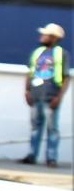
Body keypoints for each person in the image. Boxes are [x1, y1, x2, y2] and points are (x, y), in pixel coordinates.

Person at [21, 23, 68, 167]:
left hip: (51, 97)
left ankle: (51, 158)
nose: (42, 36)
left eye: (45, 34)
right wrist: (27, 91)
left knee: (52, 128)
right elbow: (30, 73)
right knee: (35, 127)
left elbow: (66, 77)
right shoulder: (37, 52)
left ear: (53, 38)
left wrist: (59, 97)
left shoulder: (61, 53)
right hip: (36, 96)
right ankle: (32, 155)